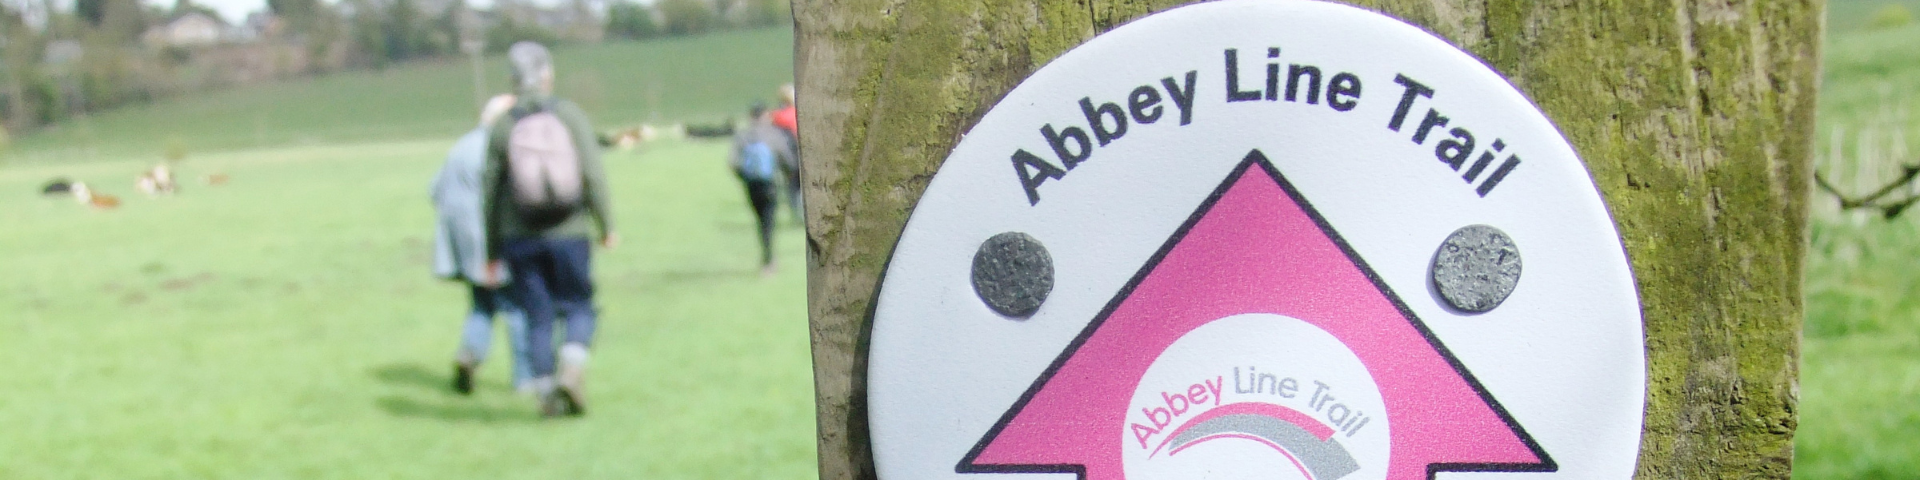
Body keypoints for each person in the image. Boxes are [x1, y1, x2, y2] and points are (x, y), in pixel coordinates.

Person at [481, 41, 617, 417]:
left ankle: (546, 396)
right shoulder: (569, 116)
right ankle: (571, 370)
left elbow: (489, 192)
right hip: (570, 231)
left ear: (511, 80)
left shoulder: (503, 126)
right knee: (579, 307)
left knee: (536, 317)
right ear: (547, 75)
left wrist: (491, 251)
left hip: (518, 238)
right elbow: (592, 174)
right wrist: (607, 225)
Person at [435, 94, 535, 396]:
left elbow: (434, 189)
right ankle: (525, 378)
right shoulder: (497, 148)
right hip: (493, 243)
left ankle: (470, 354)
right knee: (517, 307)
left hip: (463, 248)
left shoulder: (460, 146)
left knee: (481, 305)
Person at [731, 102, 794, 277]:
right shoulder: (774, 135)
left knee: (760, 220)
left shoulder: (743, 136)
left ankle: (767, 257)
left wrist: (745, 178)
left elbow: (734, 163)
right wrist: (788, 175)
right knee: (769, 221)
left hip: (752, 185)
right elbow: (786, 159)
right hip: (771, 184)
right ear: (766, 115)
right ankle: (769, 259)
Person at [768, 84, 802, 223]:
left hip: (785, 158)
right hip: (802, 155)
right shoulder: (799, 113)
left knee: (791, 186)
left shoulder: (777, 116)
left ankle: (796, 213)